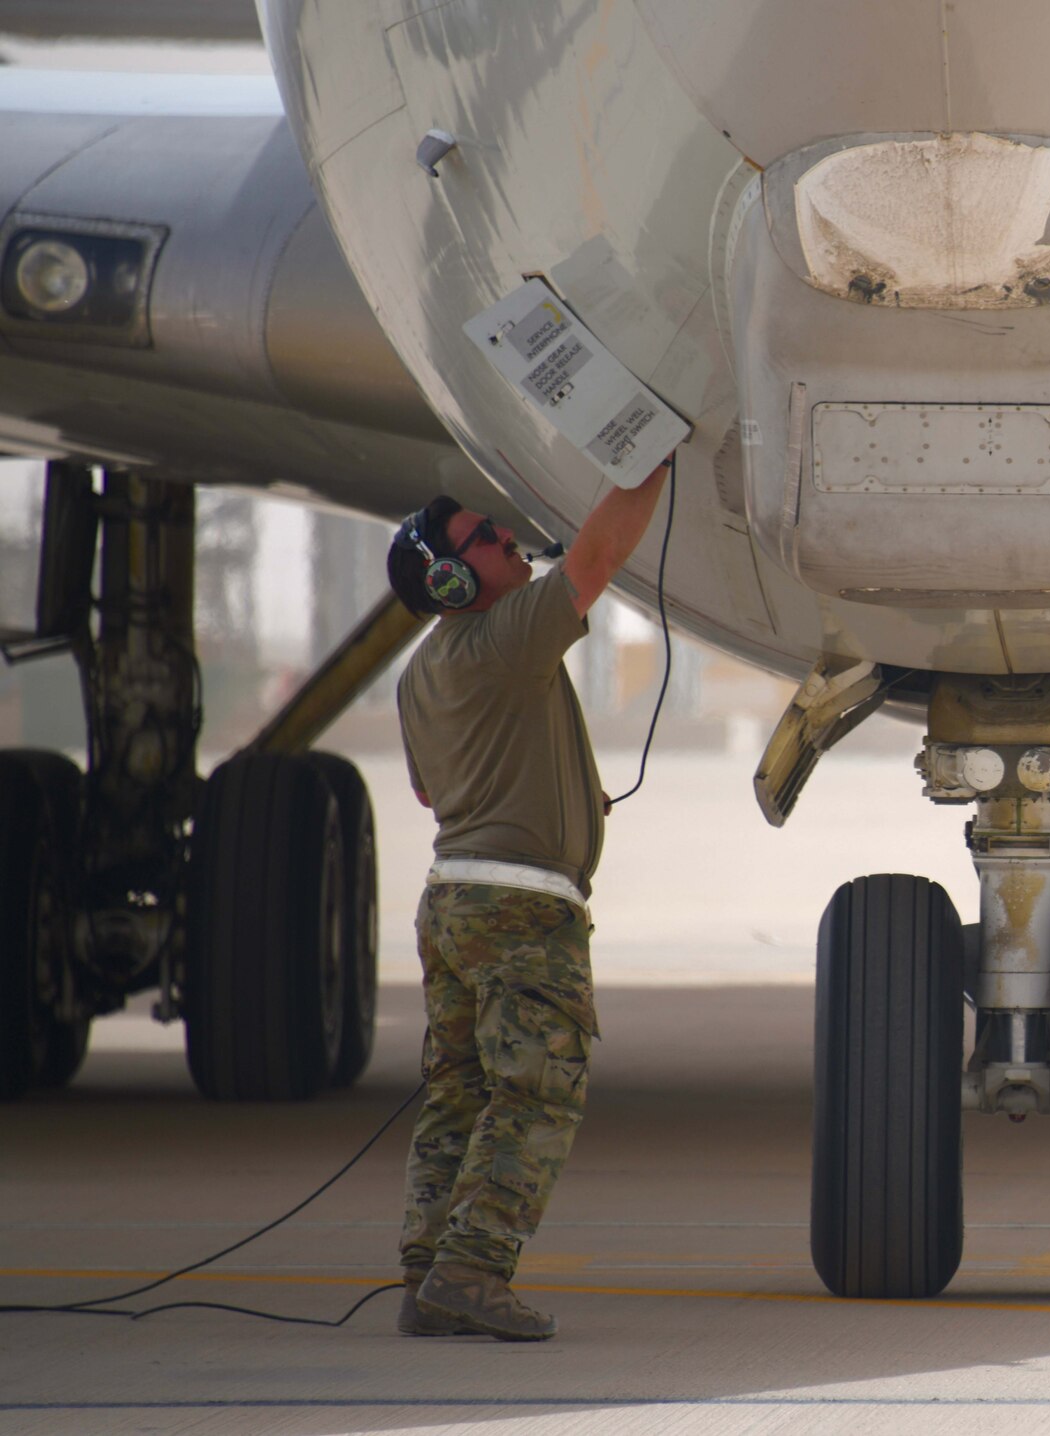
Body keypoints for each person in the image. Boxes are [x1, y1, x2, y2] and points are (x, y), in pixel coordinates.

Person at [385, 462, 671, 1340]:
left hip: (452, 901)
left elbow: (430, 796)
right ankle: (472, 1272)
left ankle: (429, 1272)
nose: (508, 540)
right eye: (485, 539)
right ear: (453, 578)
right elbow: (599, 553)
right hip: (522, 909)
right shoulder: (508, 634)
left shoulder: (417, 674)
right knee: (536, 1096)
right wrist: (655, 451)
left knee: (458, 1090)